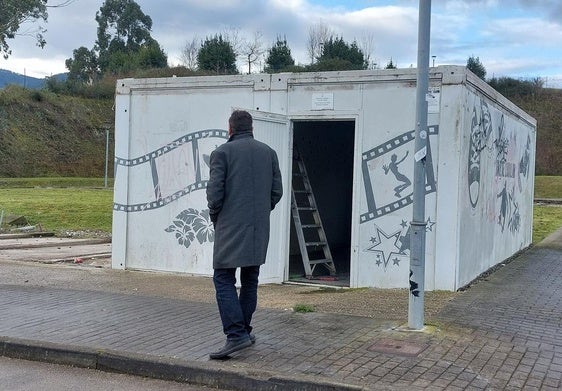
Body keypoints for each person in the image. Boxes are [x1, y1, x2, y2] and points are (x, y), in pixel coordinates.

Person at [206, 110, 283, 359]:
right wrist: (260, 212)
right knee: (250, 278)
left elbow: (215, 193)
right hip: (258, 227)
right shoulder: (268, 152)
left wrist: (217, 217)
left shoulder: (221, 153)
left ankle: (236, 334)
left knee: (223, 277)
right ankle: (245, 332)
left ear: (230, 128)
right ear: (251, 128)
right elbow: (276, 191)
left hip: (230, 226)